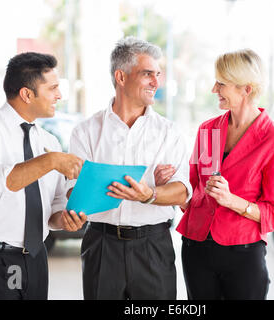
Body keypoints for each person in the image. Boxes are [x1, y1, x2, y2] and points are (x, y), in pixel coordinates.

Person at [0, 52, 87, 300]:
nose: (59, 95)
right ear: (27, 94)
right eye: (53, 88)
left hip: (36, 256)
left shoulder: (48, 140)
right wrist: (50, 161)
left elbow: (54, 208)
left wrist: (66, 219)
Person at [67, 36, 192, 300]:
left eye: (158, 74)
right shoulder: (86, 132)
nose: (156, 83)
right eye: (148, 74)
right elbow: (71, 191)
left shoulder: (169, 133)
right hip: (101, 246)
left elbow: (182, 192)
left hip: (153, 247)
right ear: (121, 77)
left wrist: (151, 194)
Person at [176, 49, 274, 300]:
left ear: (246, 89)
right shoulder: (207, 130)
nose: (213, 89)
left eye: (221, 83)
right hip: (195, 248)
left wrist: (232, 201)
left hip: (242, 253)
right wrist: (173, 187)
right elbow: (193, 189)